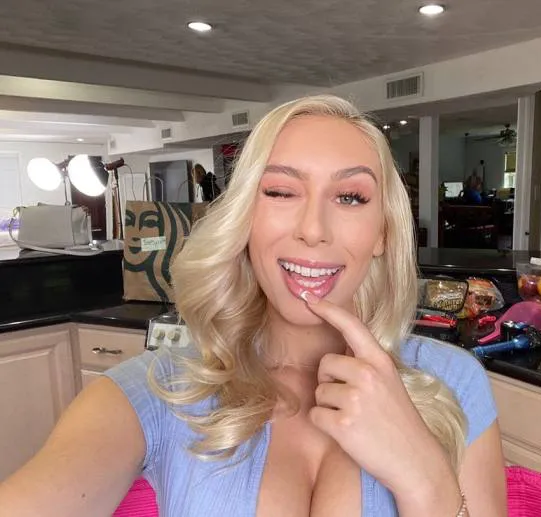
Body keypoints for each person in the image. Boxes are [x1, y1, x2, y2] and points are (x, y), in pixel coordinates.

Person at [0, 95, 507, 516]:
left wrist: (425, 481)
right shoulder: (157, 392)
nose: (313, 229)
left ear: (382, 234)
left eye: (350, 197)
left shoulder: (453, 382)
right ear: (244, 219)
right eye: (281, 192)